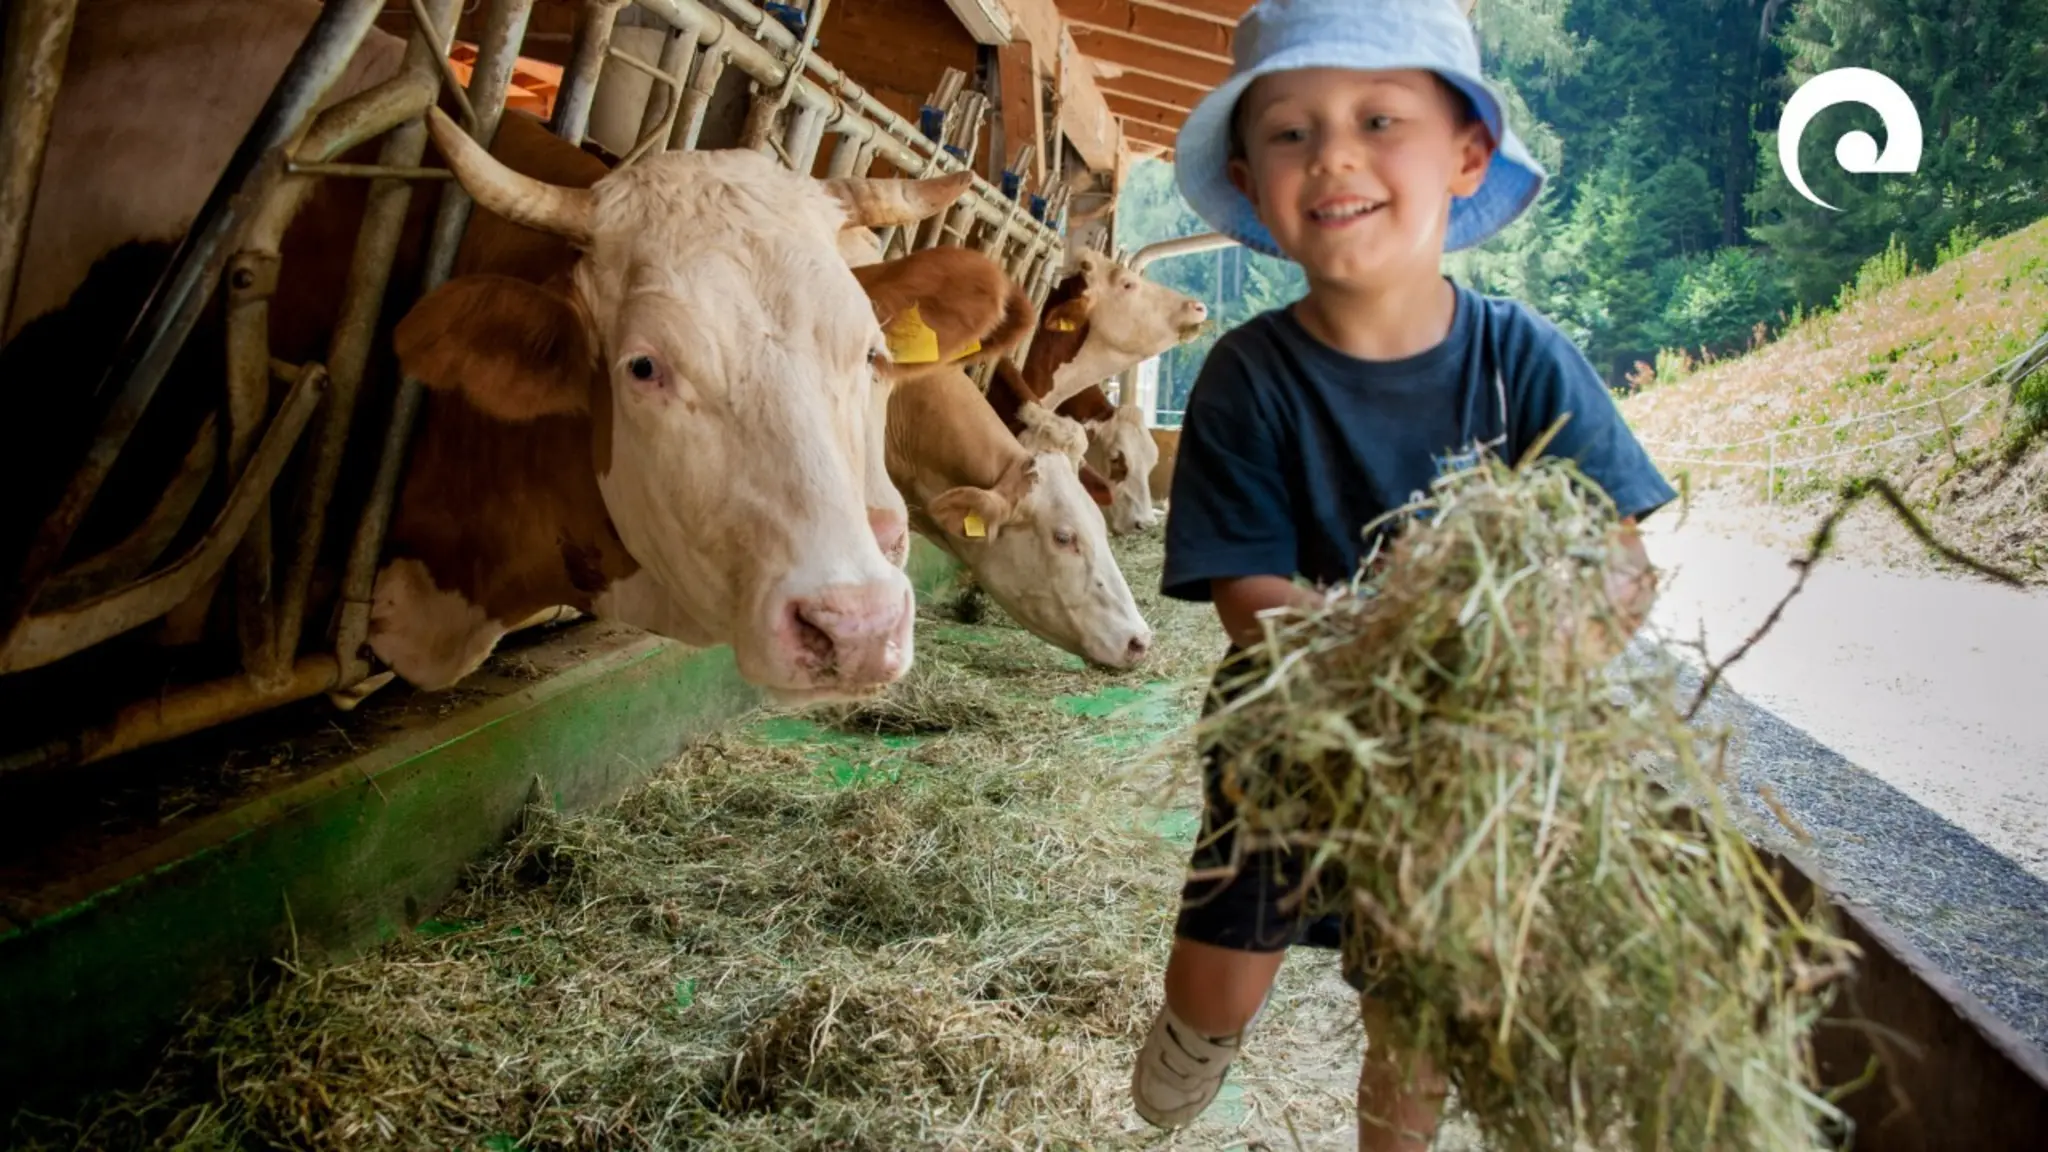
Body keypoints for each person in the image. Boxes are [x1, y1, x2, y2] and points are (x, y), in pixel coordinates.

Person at [1128, 0, 1679, 1148]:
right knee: (1223, 974)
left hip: (1463, 769)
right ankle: (1195, 1031)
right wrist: (1395, 664)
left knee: (1413, 1003)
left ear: (1464, 154)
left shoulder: (1519, 358)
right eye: (1289, 132)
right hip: (1287, 744)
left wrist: (1520, 675)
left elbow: (1615, 562)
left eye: (1380, 118)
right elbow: (1252, 604)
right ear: (1249, 178)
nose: (1332, 153)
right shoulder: (1247, 377)